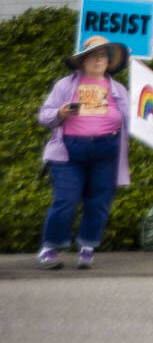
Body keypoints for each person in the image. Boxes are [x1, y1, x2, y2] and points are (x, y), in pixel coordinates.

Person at [34, 36, 133, 270]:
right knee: (66, 199)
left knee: (99, 201)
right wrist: (60, 112)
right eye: (93, 55)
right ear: (82, 61)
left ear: (109, 62)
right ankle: (50, 247)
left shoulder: (118, 90)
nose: (99, 60)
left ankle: (87, 247)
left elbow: (138, 121)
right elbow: (44, 116)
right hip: (69, 151)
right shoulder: (65, 86)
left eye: (103, 56)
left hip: (106, 151)